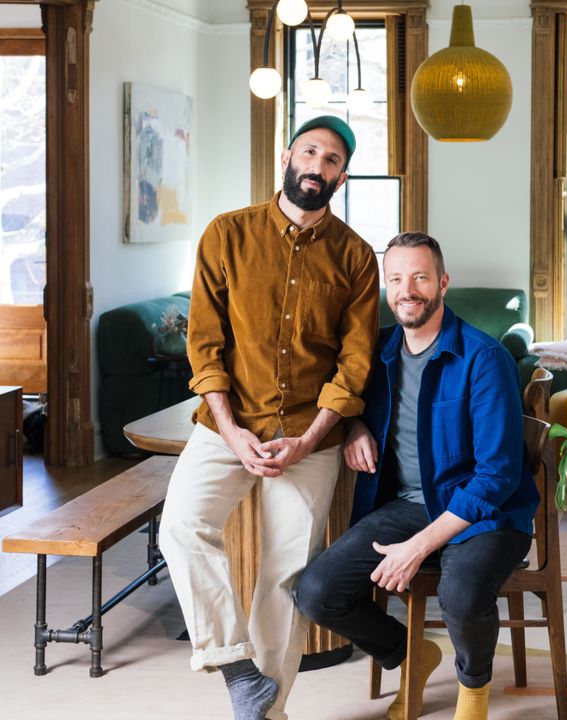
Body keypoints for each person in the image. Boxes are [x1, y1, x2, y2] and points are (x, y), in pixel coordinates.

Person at [158, 115, 380, 720]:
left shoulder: (357, 257)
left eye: (332, 159)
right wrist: (231, 430)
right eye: (309, 151)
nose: (317, 165)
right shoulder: (226, 235)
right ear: (287, 155)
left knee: (284, 575)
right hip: (226, 427)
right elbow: (204, 346)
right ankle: (235, 666)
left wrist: (310, 439)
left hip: (310, 437)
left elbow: (355, 363)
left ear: (342, 173)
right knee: (180, 526)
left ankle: (263, 712)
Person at [294, 232, 539, 720]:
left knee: (461, 595)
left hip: (486, 515)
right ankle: (410, 656)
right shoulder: (379, 350)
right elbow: (340, 392)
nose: (408, 290)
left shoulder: (484, 359)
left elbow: (497, 475)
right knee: (316, 593)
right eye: (397, 279)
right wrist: (352, 424)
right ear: (387, 289)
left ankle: (473, 690)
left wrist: (421, 545)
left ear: (443, 283)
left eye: (421, 277)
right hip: (408, 504)